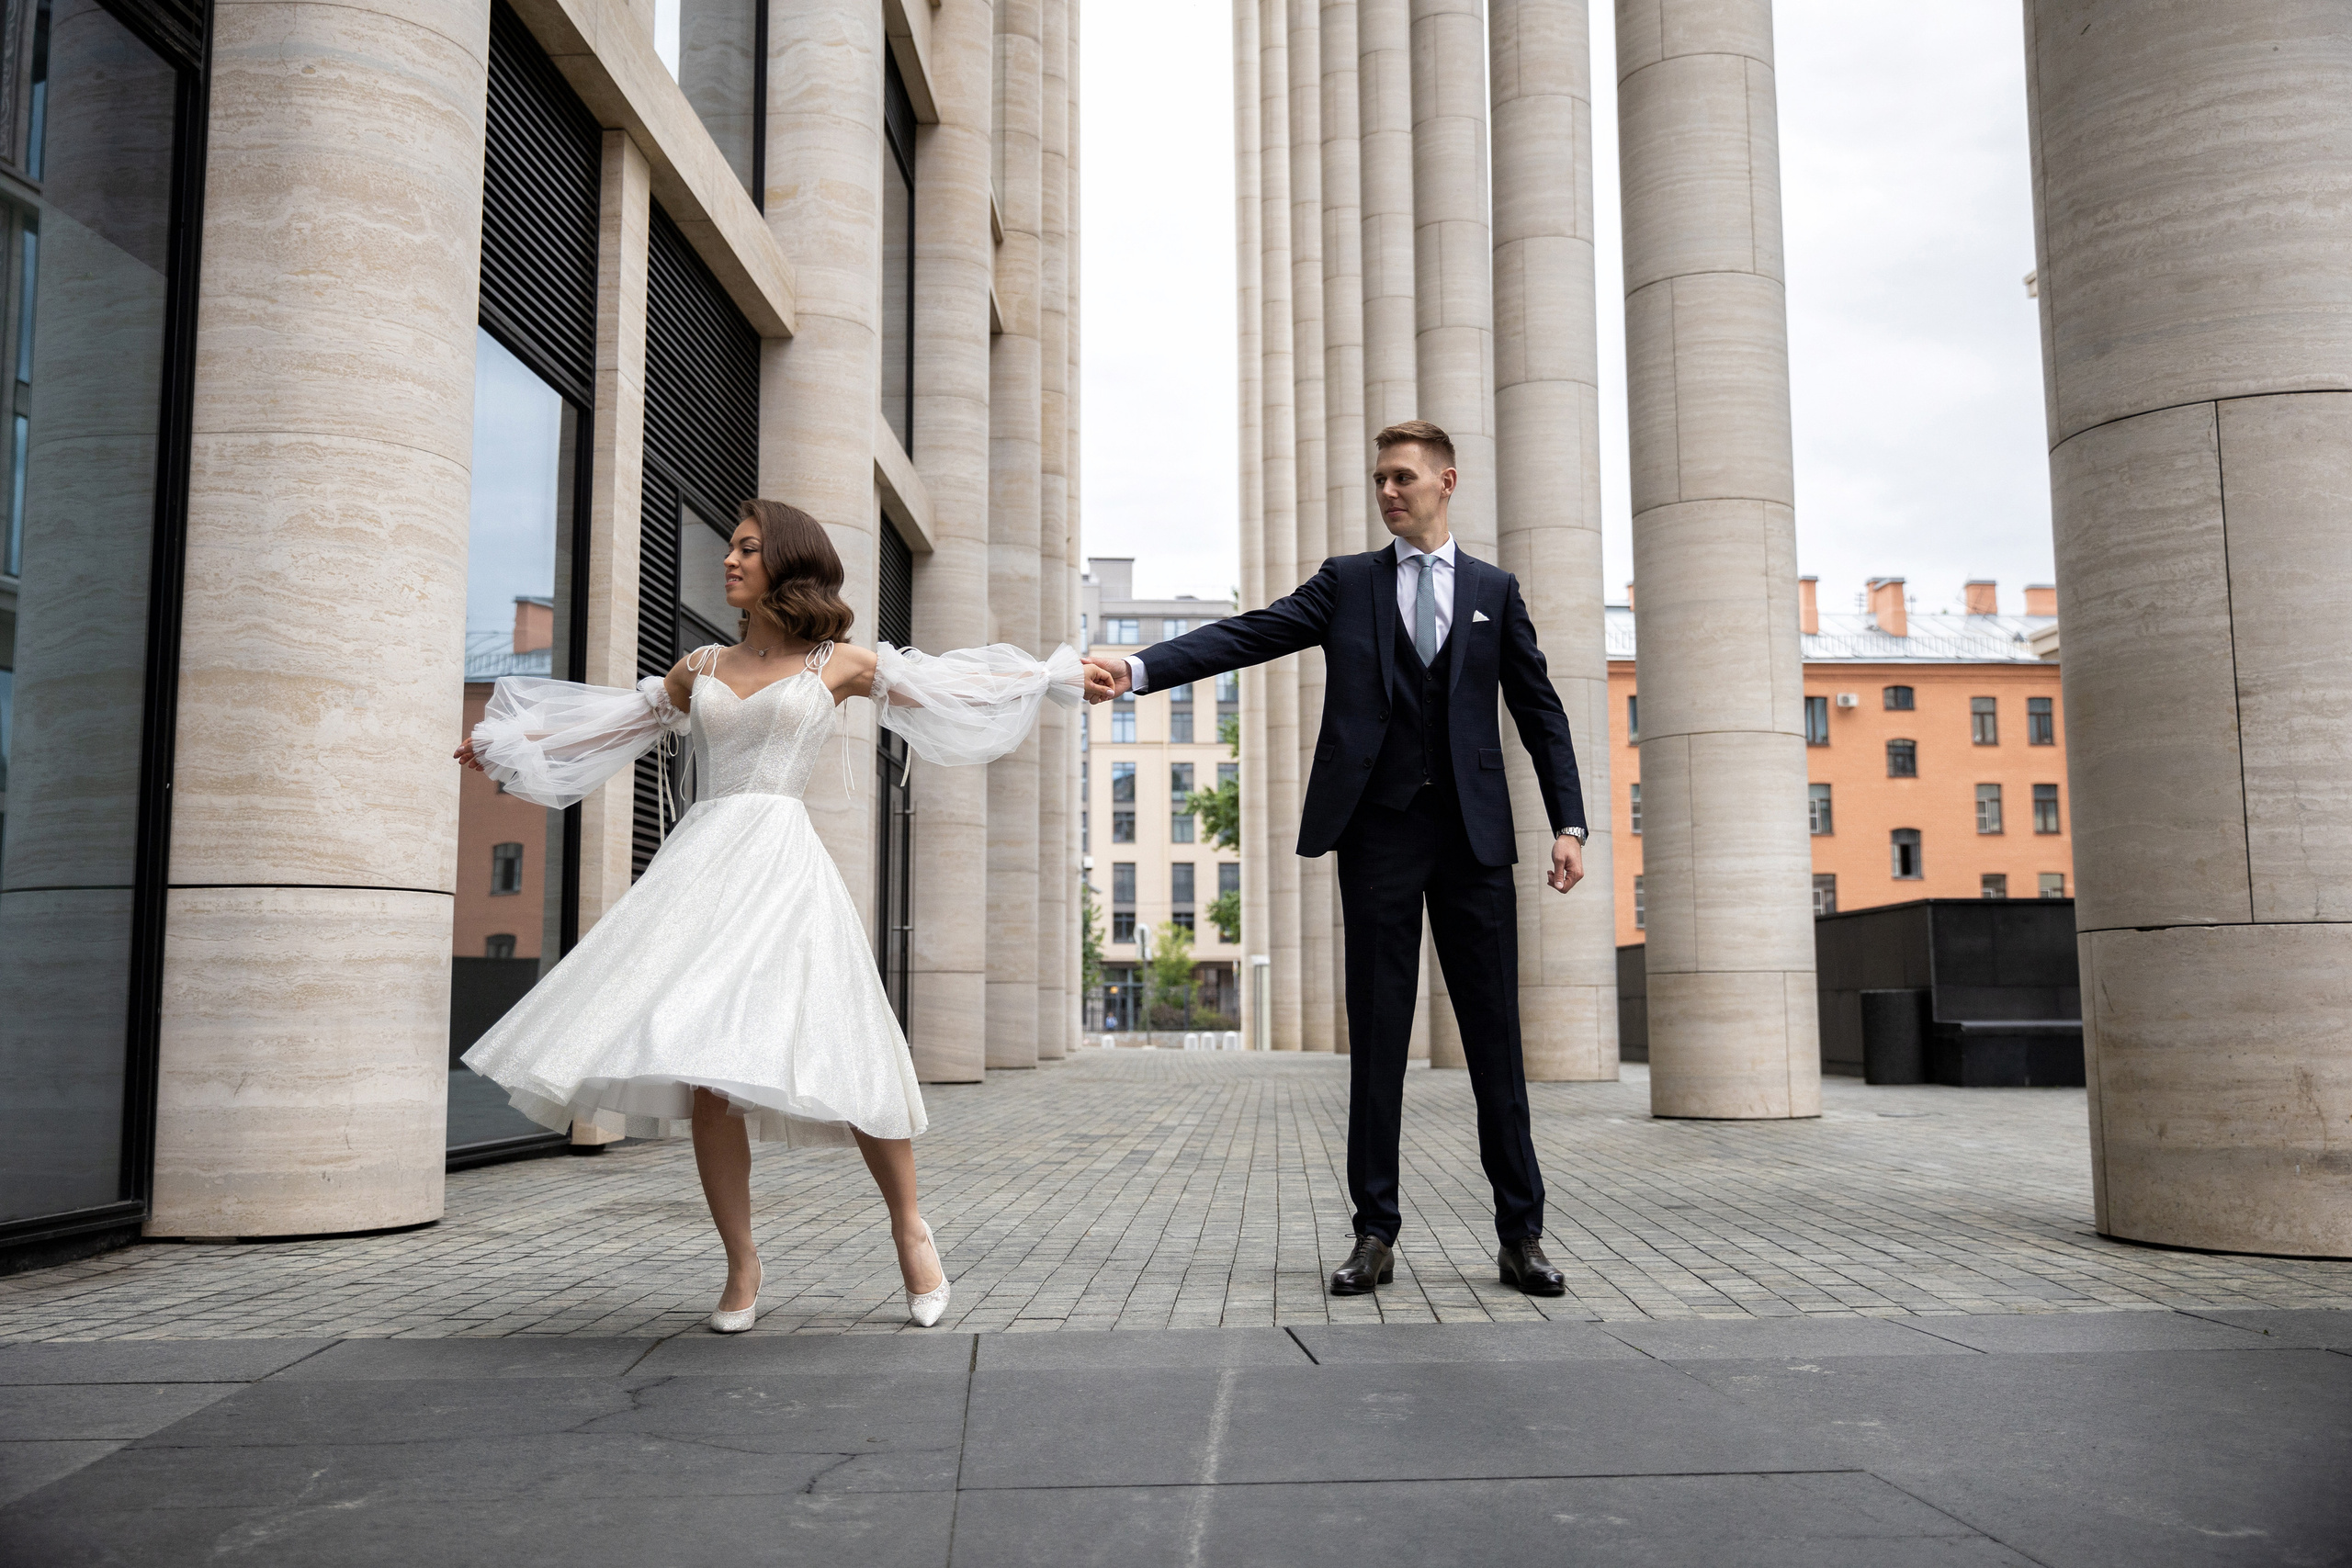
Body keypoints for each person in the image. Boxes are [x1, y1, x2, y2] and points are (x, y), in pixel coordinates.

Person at [456, 499, 1108, 1331]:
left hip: (783, 865)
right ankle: (741, 1262)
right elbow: (615, 726)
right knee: (705, 1068)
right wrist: (508, 746)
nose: (729, 560)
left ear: (785, 562)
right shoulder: (698, 667)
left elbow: (948, 682)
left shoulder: (839, 664)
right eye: (730, 546)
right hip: (699, 869)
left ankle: (910, 1226)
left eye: (748, 548)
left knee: (847, 1045)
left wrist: (1053, 676)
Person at [1083, 421, 1588, 1298]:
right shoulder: (1347, 584)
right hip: (1380, 836)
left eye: (1402, 477)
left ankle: (1522, 1235)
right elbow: (1251, 633)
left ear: (1445, 482)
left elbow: (1540, 714)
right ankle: (1374, 1233)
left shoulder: (1494, 592)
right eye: (1379, 479)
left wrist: (1570, 823)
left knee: (1494, 1040)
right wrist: (1136, 667)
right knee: (1379, 1040)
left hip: (1475, 840)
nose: (1388, 492)